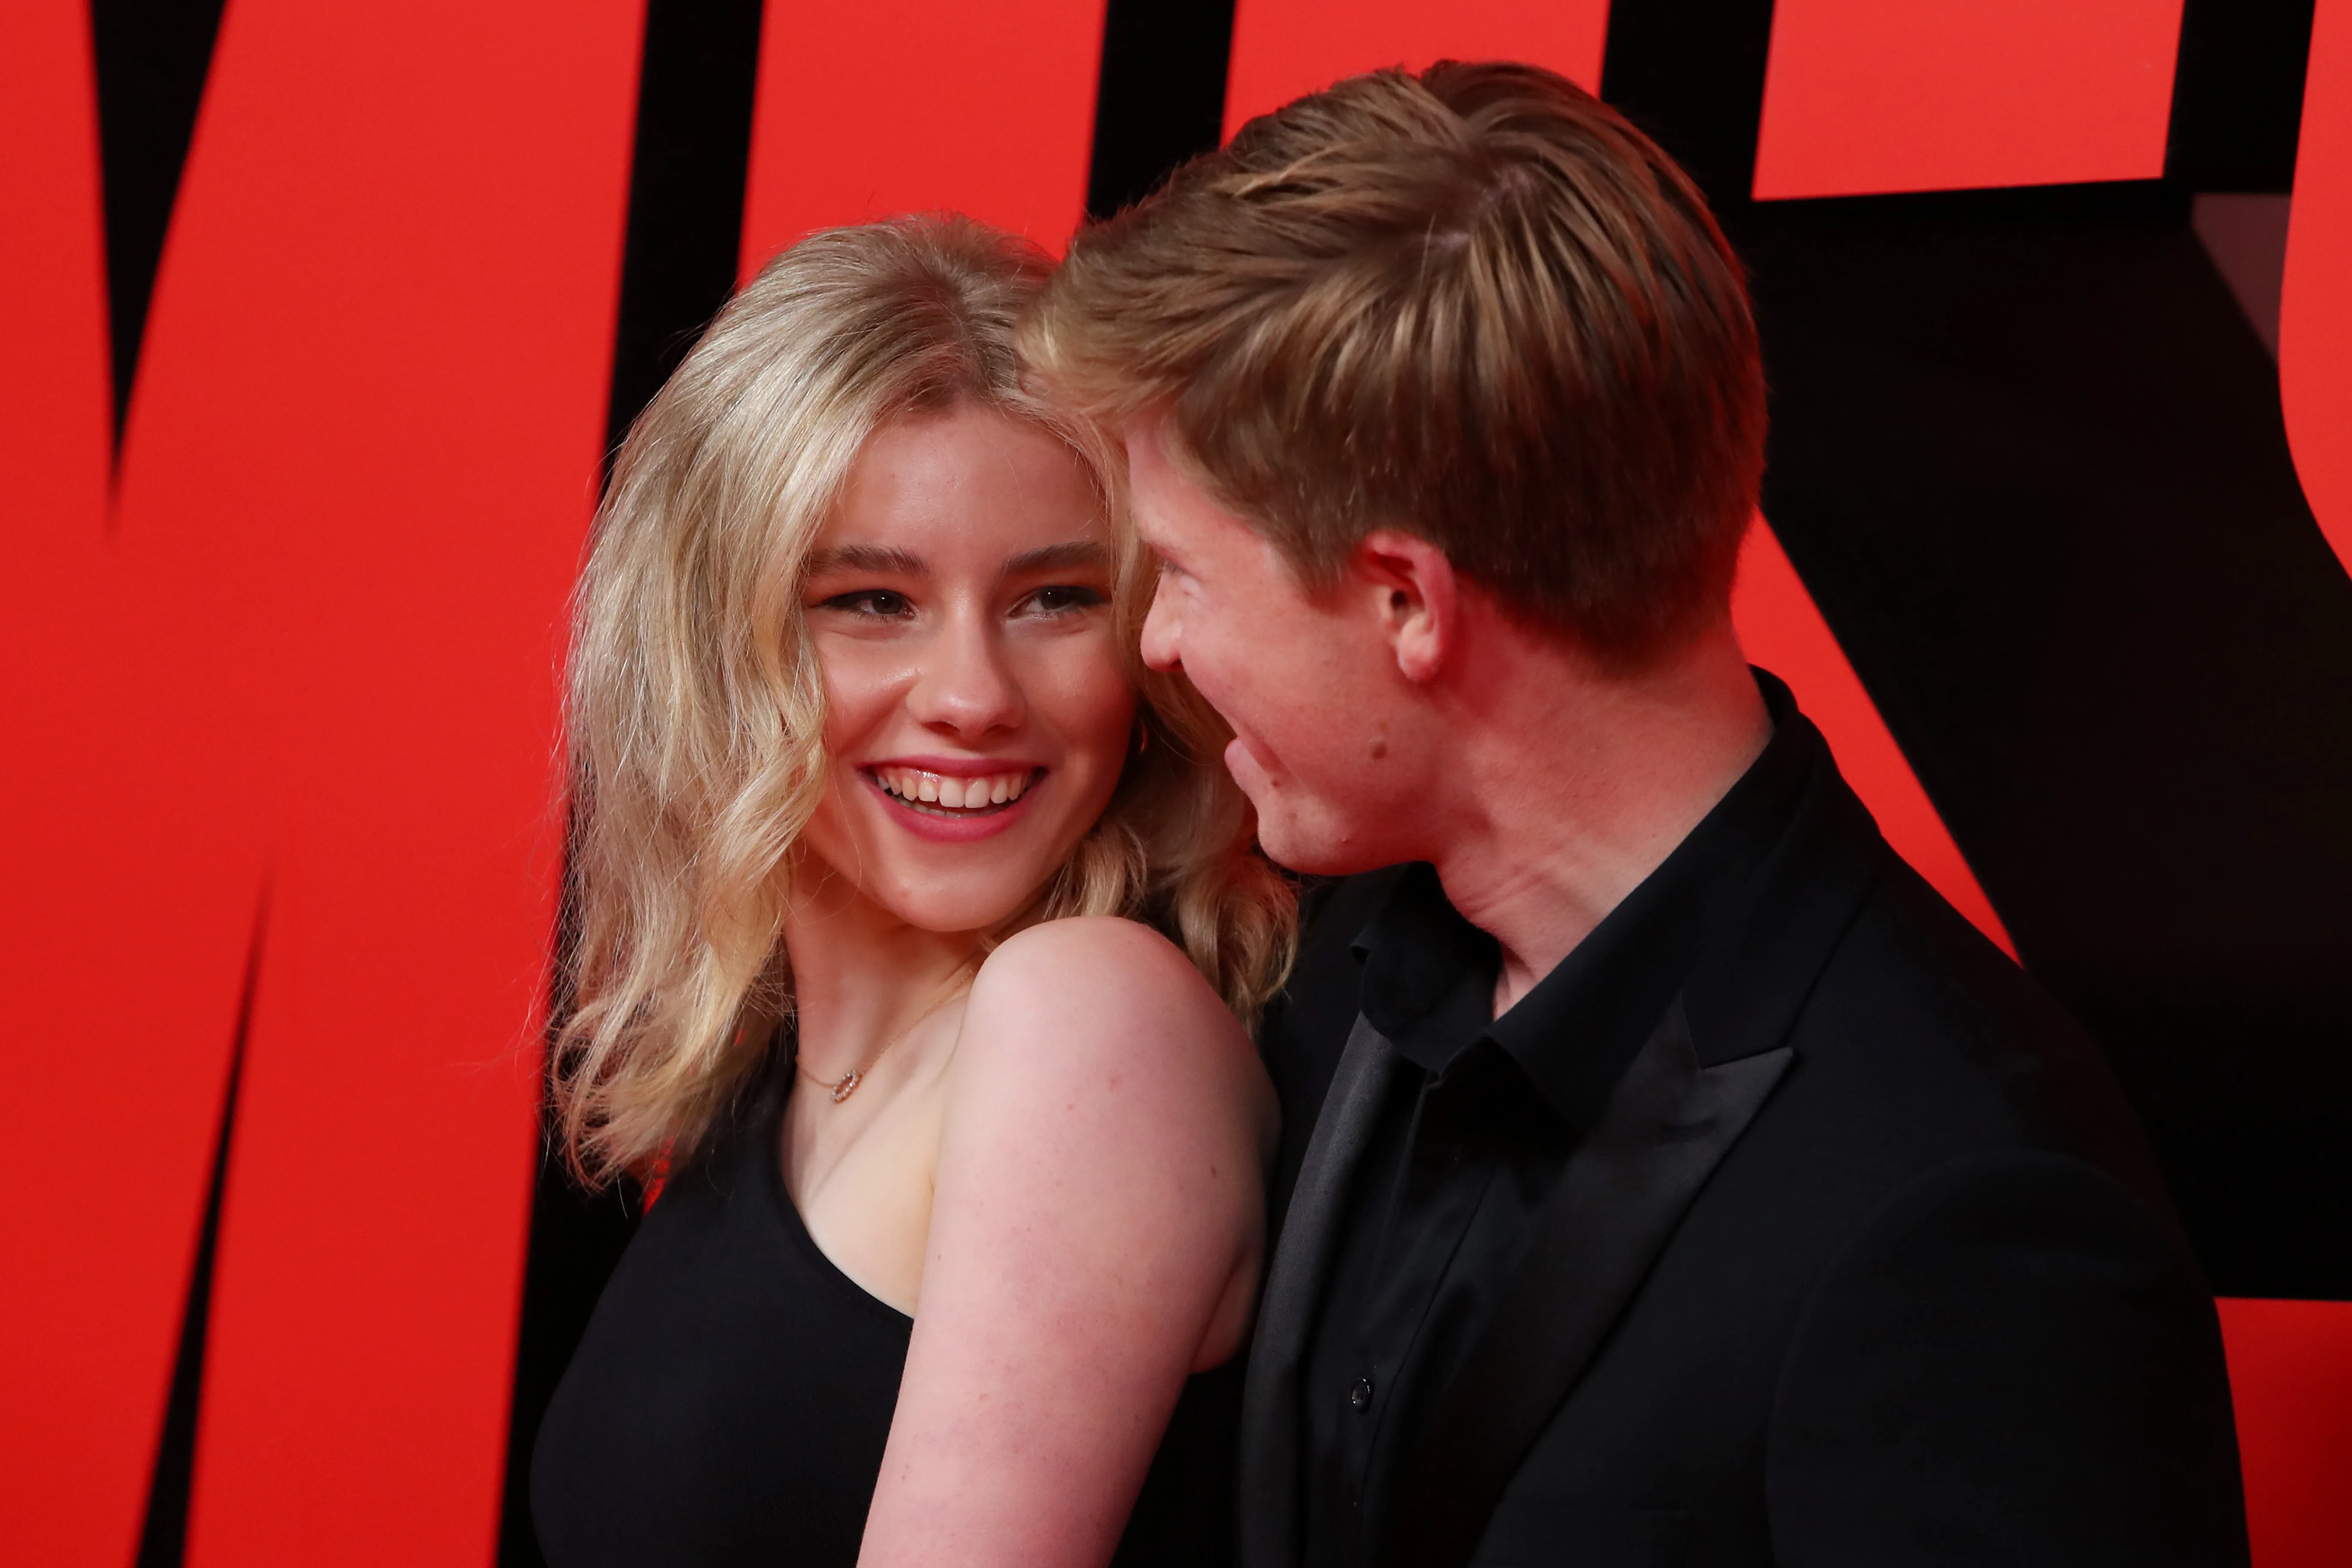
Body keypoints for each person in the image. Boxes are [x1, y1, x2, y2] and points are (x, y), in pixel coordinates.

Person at [1024, 61, 2250, 1568]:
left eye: (1186, 575)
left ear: (1408, 601)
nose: (1157, 646)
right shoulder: (1316, 974)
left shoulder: (1964, 1211)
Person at [528, 215, 1293, 1568]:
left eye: (1056, 599)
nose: (973, 698)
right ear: (716, 641)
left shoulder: (1083, 1019)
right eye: (874, 602)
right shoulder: (770, 1083)